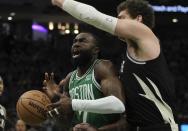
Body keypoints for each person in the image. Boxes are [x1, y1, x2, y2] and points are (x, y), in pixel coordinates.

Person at [50, 0, 179, 131]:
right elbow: (121, 109)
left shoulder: (145, 34)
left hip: (161, 126)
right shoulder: (128, 58)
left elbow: (94, 17)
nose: (118, 21)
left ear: (138, 19)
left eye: (122, 18)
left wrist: (61, 2)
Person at [43, 32, 125, 130]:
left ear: (96, 50)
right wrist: (55, 99)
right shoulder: (69, 78)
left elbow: (118, 104)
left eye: (82, 41)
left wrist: (74, 104)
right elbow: (66, 122)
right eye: (75, 41)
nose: (76, 44)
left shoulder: (103, 67)